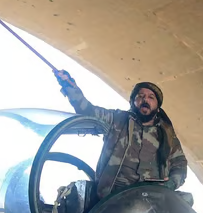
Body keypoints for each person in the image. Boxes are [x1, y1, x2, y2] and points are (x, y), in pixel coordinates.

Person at [54, 70, 187, 200]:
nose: (145, 100)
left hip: (151, 199)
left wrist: (171, 184)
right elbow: (88, 111)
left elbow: (179, 164)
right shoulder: (117, 119)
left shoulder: (167, 136)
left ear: (158, 107)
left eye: (151, 97)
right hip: (114, 197)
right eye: (140, 96)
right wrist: (69, 86)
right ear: (133, 102)